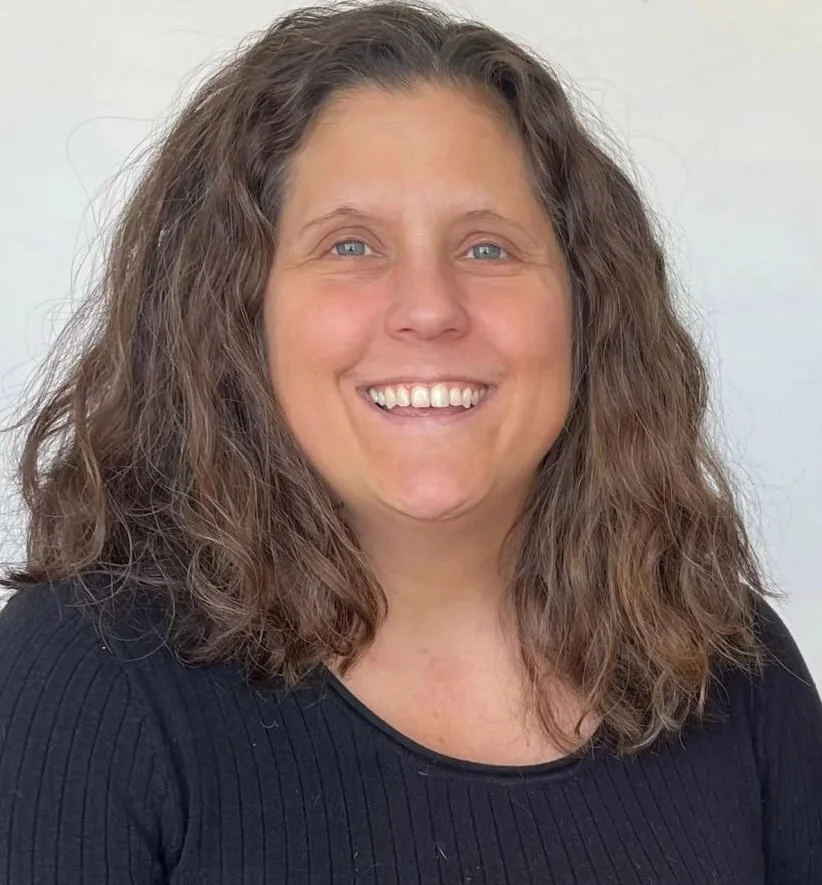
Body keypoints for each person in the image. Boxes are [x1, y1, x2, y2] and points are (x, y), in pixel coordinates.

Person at [1, 0, 820, 882]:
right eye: (351, 244)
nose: (429, 307)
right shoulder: (89, 677)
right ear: (236, 311)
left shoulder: (729, 664)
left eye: (488, 249)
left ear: (587, 307)